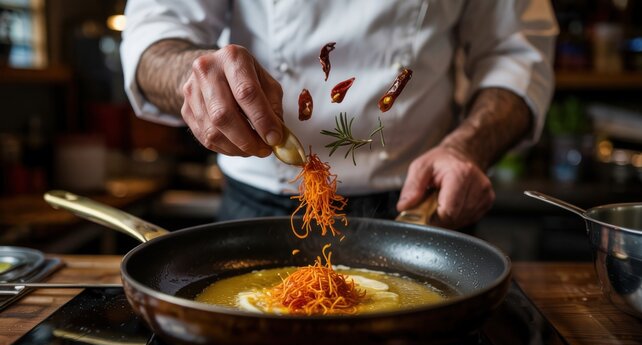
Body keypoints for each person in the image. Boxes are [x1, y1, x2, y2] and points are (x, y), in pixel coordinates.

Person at [121, 0, 558, 229]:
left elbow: (518, 54)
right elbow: (153, 40)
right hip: (259, 209)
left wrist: (468, 147)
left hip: (422, 204)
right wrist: (192, 76)